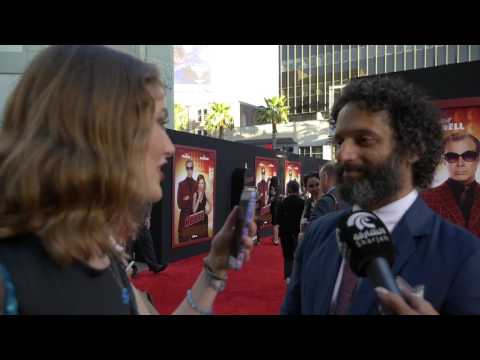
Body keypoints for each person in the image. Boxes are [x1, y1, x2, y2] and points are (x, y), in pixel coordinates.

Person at [0, 45, 254, 315]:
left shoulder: (102, 255)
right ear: (99, 131)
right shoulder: (9, 281)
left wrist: (215, 267)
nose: (169, 146)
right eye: (156, 122)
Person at [281, 76, 480, 315]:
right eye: (340, 141)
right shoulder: (318, 233)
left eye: (364, 140)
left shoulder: (464, 254)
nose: (344, 155)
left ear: (413, 149)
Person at [421, 133, 480, 238]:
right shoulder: (425, 200)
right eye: (452, 157)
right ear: (444, 161)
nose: (460, 163)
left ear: (478, 159)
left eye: (468, 156)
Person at [127, 203, 168, 275]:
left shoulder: (147, 194)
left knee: (147, 242)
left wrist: (148, 217)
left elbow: (148, 204)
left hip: (142, 219)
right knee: (129, 245)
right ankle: (132, 268)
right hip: (129, 219)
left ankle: (154, 266)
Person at [277, 181, 304, 284]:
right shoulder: (302, 202)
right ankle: (298, 276)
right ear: (297, 189)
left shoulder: (282, 202)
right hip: (298, 232)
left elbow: (278, 220)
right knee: (298, 255)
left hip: (285, 233)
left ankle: (288, 276)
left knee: (288, 255)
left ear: (288, 189)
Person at [177, 159, 197, 243]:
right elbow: (179, 204)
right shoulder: (181, 184)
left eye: (191, 168)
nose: (189, 170)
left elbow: (199, 203)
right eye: (187, 168)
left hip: (195, 219)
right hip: (184, 219)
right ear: (185, 169)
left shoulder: (197, 184)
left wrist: (187, 198)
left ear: (193, 169)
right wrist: (189, 199)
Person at [299, 173, 322, 237]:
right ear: (306, 188)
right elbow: (303, 220)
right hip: (311, 236)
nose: (315, 188)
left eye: (317, 184)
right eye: (311, 186)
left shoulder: (327, 200)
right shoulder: (308, 202)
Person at [192, 174, 212, 239]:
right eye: (199, 183)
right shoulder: (195, 194)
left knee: (204, 237)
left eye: (202, 183)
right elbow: (194, 211)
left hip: (204, 219)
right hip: (197, 219)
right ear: (197, 184)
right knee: (196, 238)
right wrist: (198, 198)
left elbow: (211, 203)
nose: (201, 185)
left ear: (204, 184)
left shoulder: (206, 193)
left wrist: (208, 211)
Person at [269, 176, 282, 245]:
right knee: (276, 224)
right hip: (276, 206)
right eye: (278, 180)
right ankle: (276, 239)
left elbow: (272, 198)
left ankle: (276, 239)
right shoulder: (274, 187)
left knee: (276, 224)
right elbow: (272, 197)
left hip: (276, 206)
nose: (279, 181)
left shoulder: (274, 187)